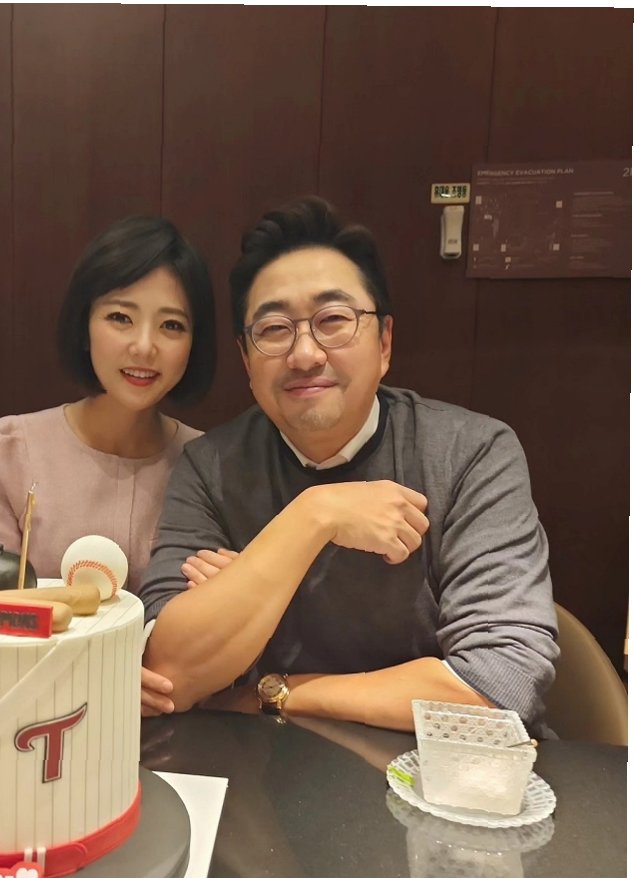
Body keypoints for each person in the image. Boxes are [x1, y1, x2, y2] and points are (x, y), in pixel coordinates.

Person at [140, 197, 558, 736]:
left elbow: (502, 683)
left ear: (384, 342)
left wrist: (276, 691)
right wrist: (317, 514)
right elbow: (169, 674)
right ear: (246, 360)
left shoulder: (470, 453)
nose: (305, 354)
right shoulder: (210, 467)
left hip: (436, 768)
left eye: (333, 320)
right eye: (274, 329)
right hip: (265, 769)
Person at [0, 215, 216, 716]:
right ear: (84, 325)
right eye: (120, 317)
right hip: (27, 722)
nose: (144, 346)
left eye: (172, 325)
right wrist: (95, 676)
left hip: (177, 729)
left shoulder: (210, 466)